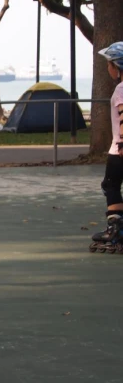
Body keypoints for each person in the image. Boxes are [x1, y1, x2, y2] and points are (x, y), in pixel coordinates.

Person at [90, 42, 123, 253]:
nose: (107, 68)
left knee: (110, 185)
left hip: (118, 149)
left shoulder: (121, 88)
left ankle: (115, 230)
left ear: (117, 67)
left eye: (109, 64)